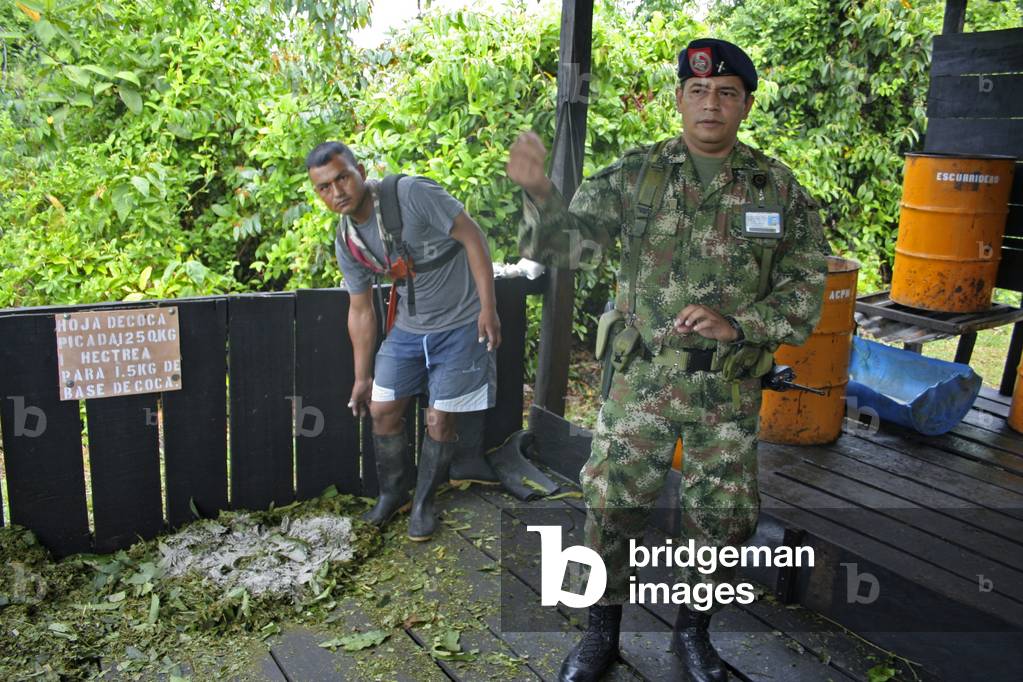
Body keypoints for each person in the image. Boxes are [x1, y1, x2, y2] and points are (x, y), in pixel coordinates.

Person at [507, 38, 829, 682]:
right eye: (699, 91)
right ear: (680, 99)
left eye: (727, 93)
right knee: (612, 507)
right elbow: (570, 249)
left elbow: (805, 287)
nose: (712, 104)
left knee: (724, 520)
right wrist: (540, 192)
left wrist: (740, 324)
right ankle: (600, 634)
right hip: (641, 382)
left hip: (726, 390)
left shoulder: (777, 189)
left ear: (746, 105)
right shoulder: (637, 175)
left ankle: (693, 634)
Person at [306, 141, 501, 542]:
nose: (337, 191)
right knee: (381, 410)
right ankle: (393, 494)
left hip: (460, 322)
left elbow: (473, 236)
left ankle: (424, 502)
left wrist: (488, 307)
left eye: (342, 178)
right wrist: (362, 377)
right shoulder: (348, 240)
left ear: (360, 171)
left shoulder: (411, 193)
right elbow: (361, 310)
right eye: (324, 187)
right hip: (409, 331)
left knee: (439, 418)